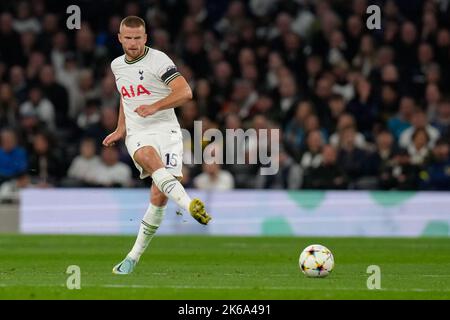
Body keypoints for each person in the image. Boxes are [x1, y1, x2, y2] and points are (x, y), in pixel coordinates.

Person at [102, 16, 211, 275]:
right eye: (127, 38)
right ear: (120, 38)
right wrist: (121, 128)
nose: (132, 43)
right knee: (149, 158)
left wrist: (155, 106)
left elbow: (185, 92)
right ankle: (189, 205)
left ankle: (133, 257)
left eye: (137, 38)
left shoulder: (159, 60)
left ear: (145, 37)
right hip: (139, 132)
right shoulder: (117, 65)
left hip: (168, 130)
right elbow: (125, 97)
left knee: (159, 194)